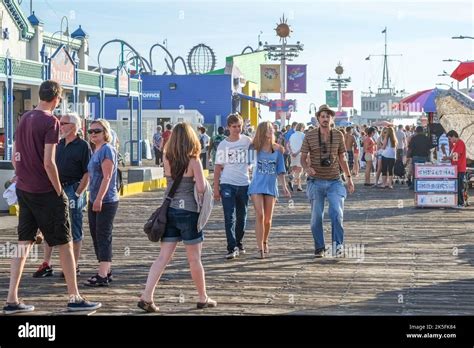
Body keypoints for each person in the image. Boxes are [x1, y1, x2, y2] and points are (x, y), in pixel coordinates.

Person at [4, 80, 101, 314]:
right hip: (46, 191)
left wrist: (22, 178)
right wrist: (59, 191)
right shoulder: (51, 122)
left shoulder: (24, 118)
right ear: (57, 99)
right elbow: (49, 162)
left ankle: (12, 299)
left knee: (23, 244)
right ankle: (74, 296)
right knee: (65, 243)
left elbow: (16, 156)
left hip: (25, 189)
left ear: (41, 95)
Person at [138, 122, 216, 312]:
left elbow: (169, 182)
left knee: (163, 257)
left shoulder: (167, 158)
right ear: (191, 139)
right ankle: (202, 297)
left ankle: (147, 296)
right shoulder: (194, 161)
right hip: (189, 213)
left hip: (170, 211)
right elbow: (200, 188)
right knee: (194, 259)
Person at [32, 113, 91, 278]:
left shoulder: (83, 146)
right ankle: (47, 263)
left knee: (74, 228)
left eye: (63, 123)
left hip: (73, 188)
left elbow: (88, 172)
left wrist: (79, 192)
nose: (60, 126)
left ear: (73, 126)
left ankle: (74, 265)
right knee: (49, 225)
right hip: (55, 188)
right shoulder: (57, 144)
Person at [300, 105, 355, 258]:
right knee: (316, 217)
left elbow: (343, 158)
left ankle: (337, 247)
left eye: (328, 116)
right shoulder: (310, 135)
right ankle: (320, 247)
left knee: (337, 213)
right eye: (322, 116)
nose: (325, 119)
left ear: (332, 119)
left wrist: (349, 178)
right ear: (318, 118)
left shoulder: (338, 135)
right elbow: (303, 159)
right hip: (315, 181)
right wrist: (307, 168)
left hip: (334, 181)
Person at [84, 119, 119, 287]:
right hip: (94, 198)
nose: (93, 134)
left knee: (103, 235)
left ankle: (103, 274)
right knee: (95, 234)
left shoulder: (107, 150)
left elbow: (107, 177)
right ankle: (106, 268)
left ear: (105, 132)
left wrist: (99, 199)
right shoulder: (95, 150)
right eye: (90, 131)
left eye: (97, 131)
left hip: (106, 200)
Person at [248, 122, 291, 259]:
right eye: (269, 129)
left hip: (271, 185)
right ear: (262, 131)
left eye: (272, 129)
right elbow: (246, 165)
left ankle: (265, 240)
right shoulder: (254, 148)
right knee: (259, 215)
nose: (272, 131)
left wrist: (284, 186)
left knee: (268, 219)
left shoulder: (277, 150)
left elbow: (280, 170)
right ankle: (259, 247)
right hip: (256, 185)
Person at [213, 113, 252, 259]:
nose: (237, 129)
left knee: (242, 216)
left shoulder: (248, 141)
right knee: (229, 216)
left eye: (239, 126)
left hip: (244, 183)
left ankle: (239, 241)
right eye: (234, 126)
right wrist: (216, 188)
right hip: (227, 183)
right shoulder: (223, 144)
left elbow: (253, 159)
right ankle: (231, 247)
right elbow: (217, 167)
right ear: (228, 127)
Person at [444, 130, 467, 208]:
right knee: (457, 186)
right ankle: (458, 203)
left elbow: (456, 156)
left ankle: (461, 203)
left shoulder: (460, 143)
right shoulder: (456, 144)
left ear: (454, 136)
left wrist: (447, 157)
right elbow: (455, 156)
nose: (449, 140)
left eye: (450, 138)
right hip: (456, 168)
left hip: (460, 168)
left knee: (460, 186)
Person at [288, 123, 306, 191]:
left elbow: (288, 145)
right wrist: (297, 153)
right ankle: (292, 180)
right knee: (299, 170)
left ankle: (299, 186)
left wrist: (291, 152)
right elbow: (303, 146)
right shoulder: (303, 135)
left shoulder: (292, 135)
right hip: (299, 154)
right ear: (302, 128)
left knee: (295, 169)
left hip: (292, 154)